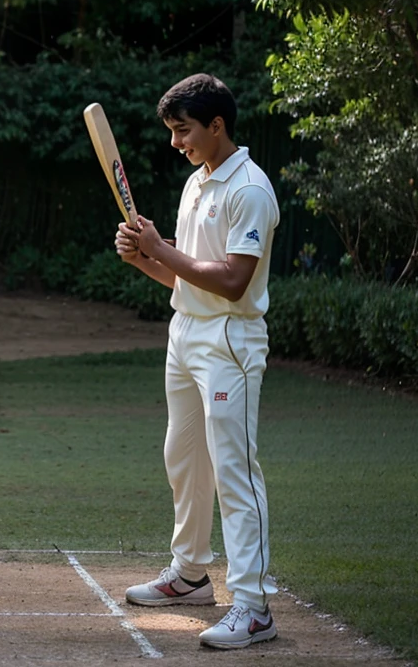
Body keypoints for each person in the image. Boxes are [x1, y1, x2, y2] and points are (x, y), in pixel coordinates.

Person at [115, 73, 280, 650]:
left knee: (233, 467)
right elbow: (185, 273)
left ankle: (255, 607)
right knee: (182, 457)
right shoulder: (195, 183)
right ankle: (189, 576)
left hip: (229, 339)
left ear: (217, 125)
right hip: (185, 332)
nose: (175, 143)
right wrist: (145, 260)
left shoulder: (250, 189)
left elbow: (234, 282)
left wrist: (161, 248)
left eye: (182, 131)